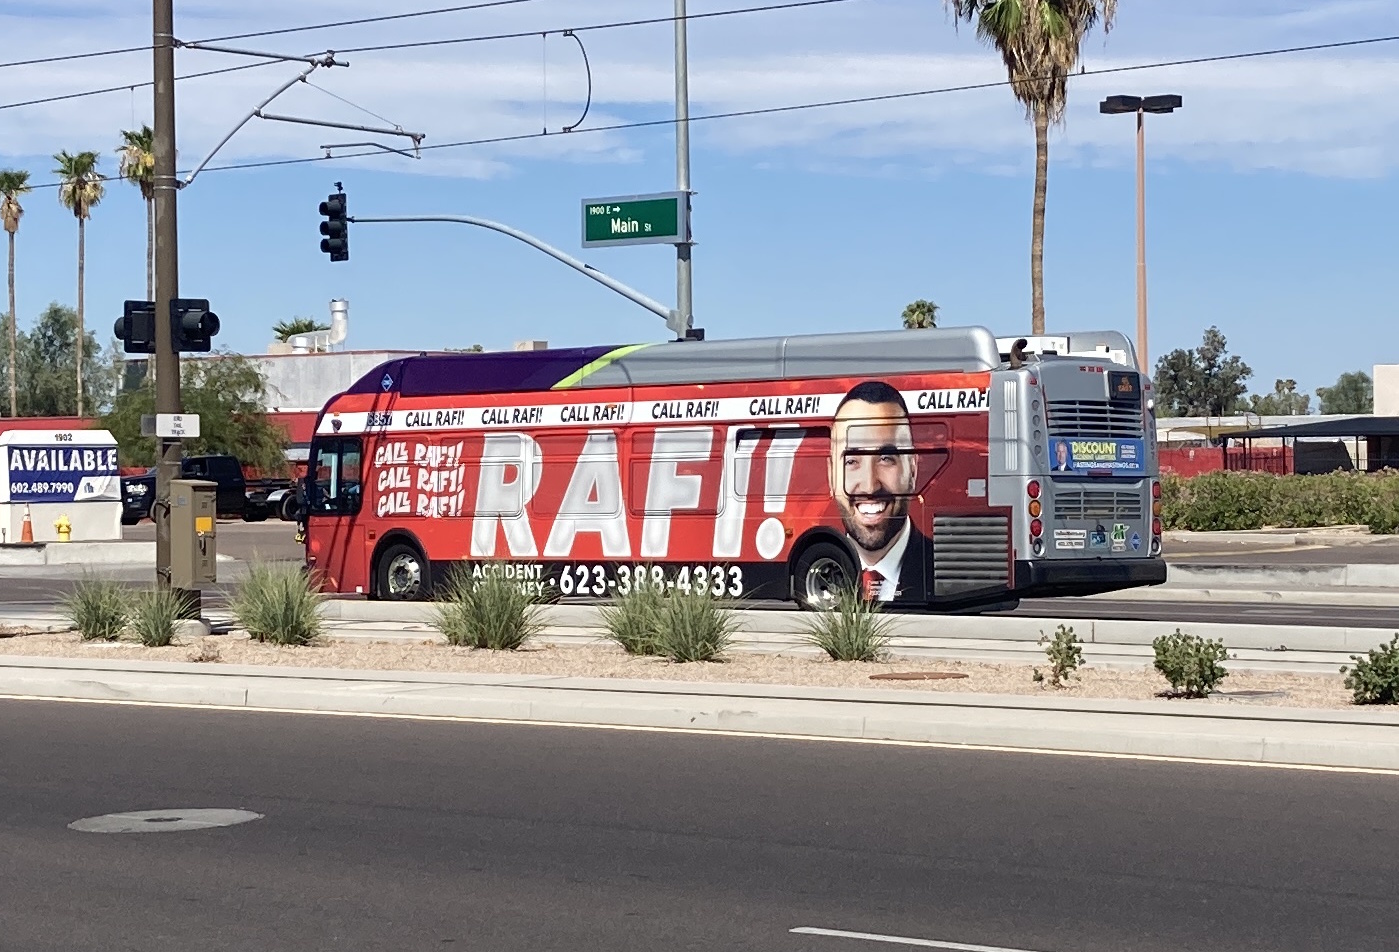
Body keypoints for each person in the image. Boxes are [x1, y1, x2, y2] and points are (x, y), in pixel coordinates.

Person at [828, 381, 934, 603]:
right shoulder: (826, 569)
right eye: (852, 461)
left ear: (912, 470)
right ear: (831, 475)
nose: (869, 486)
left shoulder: (938, 566)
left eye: (886, 459)